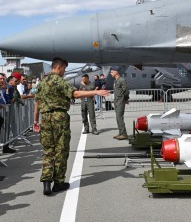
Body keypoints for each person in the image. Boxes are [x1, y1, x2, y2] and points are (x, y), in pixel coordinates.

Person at [33, 57, 109, 196]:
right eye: (64, 68)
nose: (64, 71)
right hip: (59, 117)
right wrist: (95, 92)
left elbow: (37, 103)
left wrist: (35, 121)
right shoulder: (60, 81)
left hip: (45, 118)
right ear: (59, 67)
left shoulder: (42, 83)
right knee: (61, 150)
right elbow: (75, 93)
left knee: (48, 151)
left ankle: (46, 183)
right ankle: (58, 182)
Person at [110, 66, 130, 140]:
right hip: (116, 101)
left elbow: (126, 91)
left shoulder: (122, 80)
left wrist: (126, 99)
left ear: (116, 72)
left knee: (119, 117)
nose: (110, 73)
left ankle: (124, 134)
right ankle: (121, 133)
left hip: (121, 101)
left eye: (112, 72)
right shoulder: (115, 81)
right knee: (118, 118)